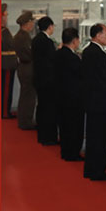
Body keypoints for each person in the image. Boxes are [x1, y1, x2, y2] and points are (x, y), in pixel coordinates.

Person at [81, 24, 106, 180]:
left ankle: (91, 169)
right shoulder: (98, 54)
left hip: (92, 101)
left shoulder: (88, 51)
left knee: (92, 138)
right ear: (98, 35)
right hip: (100, 103)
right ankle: (98, 171)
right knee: (100, 139)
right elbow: (105, 77)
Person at [54, 28, 84, 161]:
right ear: (74, 41)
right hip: (73, 97)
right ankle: (72, 152)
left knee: (64, 125)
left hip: (60, 94)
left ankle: (65, 151)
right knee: (74, 126)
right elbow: (81, 75)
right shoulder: (73, 58)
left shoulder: (57, 54)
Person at [31, 16, 58, 145]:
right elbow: (52, 60)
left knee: (41, 107)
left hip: (38, 78)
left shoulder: (36, 39)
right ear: (50, 27)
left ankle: (41, 135)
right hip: (48, 80)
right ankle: (48, 137)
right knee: (48, 109)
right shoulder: (47, 42)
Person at [13, 11, 36, 130]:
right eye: (32, 22)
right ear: (27, 23)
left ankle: (23, 120)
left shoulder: (19, 36)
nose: (33, 24)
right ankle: (26, 121)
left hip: (23, 67)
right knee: (29, 96)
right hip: (27, 68)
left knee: (24, 95)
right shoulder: (24, 37)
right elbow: (29, 53)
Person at [1, 3, 18, 119]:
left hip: (5, 63)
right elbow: (10, 46)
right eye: (5, 15)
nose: (7, 17)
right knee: (6, 89)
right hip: (6, 64)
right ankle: (4, 112)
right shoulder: (4, 31)